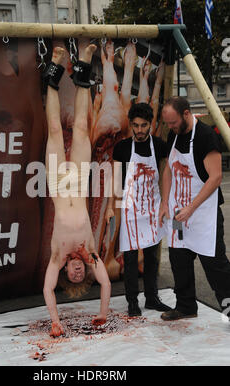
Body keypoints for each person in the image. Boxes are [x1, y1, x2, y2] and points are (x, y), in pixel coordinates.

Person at [42, 44, 111, 337]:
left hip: (58, 183)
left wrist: (56, 321)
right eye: (81, 274)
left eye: (74, 275)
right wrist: (103, 314)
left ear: (66, 275)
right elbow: (106, 284)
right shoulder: (91, 253)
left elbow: (47, 289)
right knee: (82, 128)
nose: (79, 272)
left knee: (56, 130)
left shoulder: (57, 257)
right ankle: (83, 65)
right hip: (80, 181)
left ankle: (54, 71)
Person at [159, 96, 230, 321]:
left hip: (203, 214)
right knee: (179, 259)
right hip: (180, 213)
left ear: (187, 114)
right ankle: (186, 306)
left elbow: (216, 176)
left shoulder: (205, 136)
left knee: (214, 263)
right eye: (167, 123)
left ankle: (229, 307)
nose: (170, 127)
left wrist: (191, 208)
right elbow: (169, 170)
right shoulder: (174, 135)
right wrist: (164, 202)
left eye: (173, 122)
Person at [106, 102, 171, 316]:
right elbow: (115, 183)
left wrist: (166, 204)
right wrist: (109, 208)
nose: (140, 130)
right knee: (131, 259)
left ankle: (152, 298)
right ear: (130, 125)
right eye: (136, 126)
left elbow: (166, 174)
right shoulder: (122, 148)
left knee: (152, 258)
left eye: (144, 125)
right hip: (130, 210)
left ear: (150, 125)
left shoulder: (160, 146)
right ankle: (132, 302)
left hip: (152, 208)